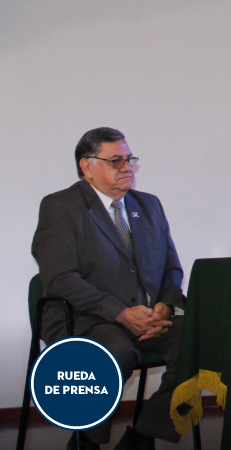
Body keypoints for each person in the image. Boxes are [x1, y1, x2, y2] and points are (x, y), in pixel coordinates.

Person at [32, 128, 186, 450]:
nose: (127, 167)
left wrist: (166, 306)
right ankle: (85, 442)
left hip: (149, 317)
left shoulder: (149, 205)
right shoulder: (60, 206)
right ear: (87, 167)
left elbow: (171, 267)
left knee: (199, 343)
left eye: (129, 159)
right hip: (87, 318)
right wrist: (121, 313)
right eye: (116, 160)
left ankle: (142, 435)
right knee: (114, 352)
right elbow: (60, 278)